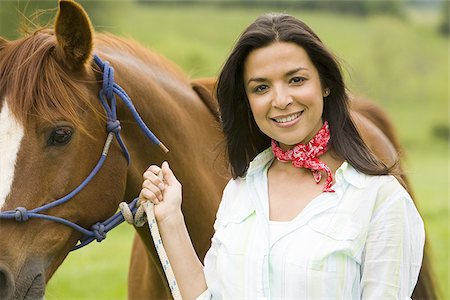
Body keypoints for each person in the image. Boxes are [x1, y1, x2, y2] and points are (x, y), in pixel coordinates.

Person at [140, 13, 425, 299]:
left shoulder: (381, 200)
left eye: (296, 80)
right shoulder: (240, 191)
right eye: (261, 87)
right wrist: (170, 218)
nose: (281, 100)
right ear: (247, 101)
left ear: (325, 84)